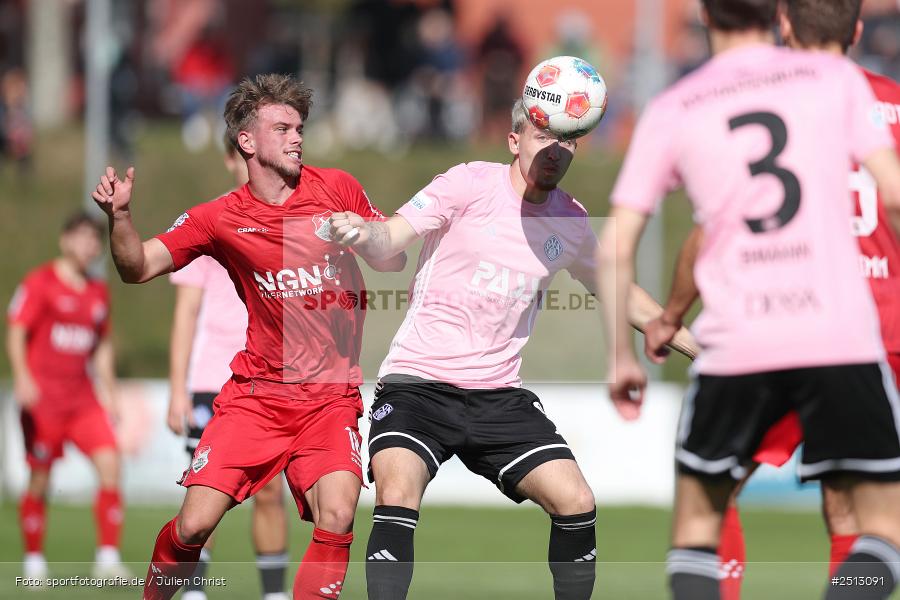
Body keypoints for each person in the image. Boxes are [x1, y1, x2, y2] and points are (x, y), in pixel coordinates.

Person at [328, 98, 698, 600]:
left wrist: (699, 347)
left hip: (498, 396)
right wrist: (362, 231)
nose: (555, 149)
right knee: (397, 492)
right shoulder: (468, 183)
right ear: (514, 141)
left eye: (567, 140)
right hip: (418, 385)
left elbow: (621, 292)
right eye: (543, 136)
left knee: (577, 501)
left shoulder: (569, 219)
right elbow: (389, 237)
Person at [599, 0, 900, 598]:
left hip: (740, 341)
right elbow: (891, 195)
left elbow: (615, 248)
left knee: (697, 526)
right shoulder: (837, 81)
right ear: (776, 19)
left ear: (704, 18)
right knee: (878, 528)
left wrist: (624, 355)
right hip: (843, 333)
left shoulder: (676, 105)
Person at [91, 73, 405, 600]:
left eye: (299, 127)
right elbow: (137, 266)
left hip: (329, 399)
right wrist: (120, 218)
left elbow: (393, 255)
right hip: (256, 398)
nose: (296, 137)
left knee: (338, 511)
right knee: (192, 527)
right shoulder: (219, 219)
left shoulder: (337, 187)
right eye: (282, 127)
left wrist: (368, 235)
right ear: (247, 141)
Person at [167, 139, 289, 600]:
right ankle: (196, 592)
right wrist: (178, 390)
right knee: (205, 493)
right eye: (244, 159)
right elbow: (186, 313)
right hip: (211, 380)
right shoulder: (207, 220)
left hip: (269, 381)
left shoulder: (287, 222)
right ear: (229, 159)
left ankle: (274, 593)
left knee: (271, 493)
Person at [6, 212, 128, 581]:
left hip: (83, 401)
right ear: (65, 241)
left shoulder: (97, 292)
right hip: (44, 402)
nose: (88, 245)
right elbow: (15, 331)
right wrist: (23, 377)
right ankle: (33, 563)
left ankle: (107, 560)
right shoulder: (40, 283)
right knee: (40, 479)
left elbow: (101, 345)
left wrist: (110, 391)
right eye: (81, 237)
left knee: (111, 466)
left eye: (94, 239)